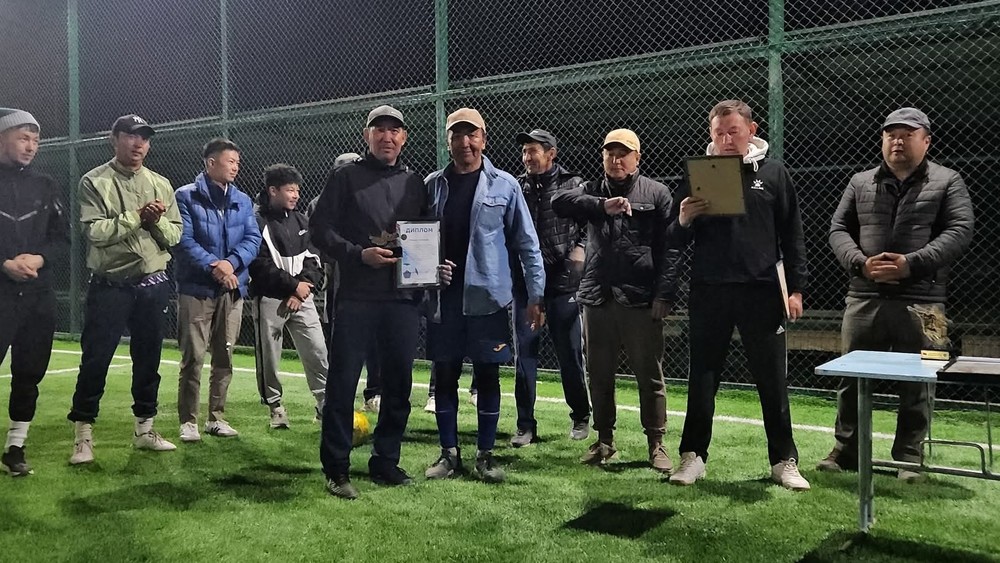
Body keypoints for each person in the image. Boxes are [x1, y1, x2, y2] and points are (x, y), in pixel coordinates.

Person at [817, 107, 974, 482]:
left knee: (923, 376)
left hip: (927, 301)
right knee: (851, 376)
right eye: (891, 134)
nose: (897, 141)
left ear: (926, 141)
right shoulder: (860, 182)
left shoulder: (948, 180)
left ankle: (909, 455)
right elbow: (838, 229)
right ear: (883, 140)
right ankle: (846, 450)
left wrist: (911, 264)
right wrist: (861, 264)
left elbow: (960, 230)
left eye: (907, 134)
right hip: (863, 296)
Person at [667, 100, 810, 490]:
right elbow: (673, 237)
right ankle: (692, 456)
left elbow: (792, 234)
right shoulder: (697, 174)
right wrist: (684, 218)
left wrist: (796, 288)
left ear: (751, 130)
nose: (726, 139)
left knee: (772, 380)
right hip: (709, 291)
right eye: (719, 133)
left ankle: (784, 460)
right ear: (710, 134)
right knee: (702, 377)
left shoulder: (774, 173)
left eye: (733, 131)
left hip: (762, 292)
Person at [311, 105, 452, 499]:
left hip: (401, 300)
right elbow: (320, 230)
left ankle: (385, 460)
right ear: (367, 135)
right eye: (380, 130)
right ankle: (337, 469)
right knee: (343, 385)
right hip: (356, 297)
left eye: (395, 131)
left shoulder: (414, 182)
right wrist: (358, 254)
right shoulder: (345, 177)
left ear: (404, 138)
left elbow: (424, 236)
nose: (387, 137)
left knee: (398, 386)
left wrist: (434, 268)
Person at [423, 107, 545, 484]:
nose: (465, 142)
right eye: (457, 135)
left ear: (483, 139)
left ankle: (485, 455)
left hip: (488, 300)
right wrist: (429, 271)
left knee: (488, 376)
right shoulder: (432, 185)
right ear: (447, 142)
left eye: (472, 134)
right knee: (445, 376)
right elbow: (415, 241)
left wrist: (536, 294)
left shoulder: (505, 185)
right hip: (444, 300)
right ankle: (449, 453)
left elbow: (527, 244)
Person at [552, 128, 675, 473]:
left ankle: (656, 443)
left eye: (623, 154)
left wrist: (664, 294)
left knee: (649, 375)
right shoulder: (591, 190)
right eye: (610, 153)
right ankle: (604, 440)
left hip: (640, 298)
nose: (616, 160)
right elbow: (558, 202)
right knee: (599, 374)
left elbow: (670, 249)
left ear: (637, 158)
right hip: (597, 297)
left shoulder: (657, 192)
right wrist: (600, 205)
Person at [68, 114, 181, 464]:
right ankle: (83, 436)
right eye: (131, 136)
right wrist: (137, 217)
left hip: (153, 285)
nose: (138, 143)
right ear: (113, 138)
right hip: (110, 286)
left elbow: (175, 235)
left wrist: (156, 220)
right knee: (96, 359)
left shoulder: (161, 183)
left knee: (149, 360)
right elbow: (95, 232)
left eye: (144, 138)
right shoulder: (94, 180)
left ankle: (145, 430)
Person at [173, 138, 261, 441]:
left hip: (232, 288)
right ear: (211, 163)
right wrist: (215, 266)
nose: (236, 167)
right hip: (196, 288)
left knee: (224, 355)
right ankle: (188, 421)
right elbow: (183, 240)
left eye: (237, 162)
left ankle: (216, 418)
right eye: (230, 161)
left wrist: (231, 264)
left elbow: (253, 239)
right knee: (193, 357)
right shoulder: (185, 196)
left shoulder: (242, 199)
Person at [510, 128, 591, 446]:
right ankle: (525, 425)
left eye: (533, 150)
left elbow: (589, 226)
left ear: (551, 153)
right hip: (525, 285)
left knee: (569, 354)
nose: (527, 157)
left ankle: (581, 416)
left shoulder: (573, 184)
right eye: (525, 151)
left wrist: (580, 251)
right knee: (524, 355)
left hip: (562, 284)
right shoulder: (517, 186)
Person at [0, 108, 68, 476]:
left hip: (37, 295)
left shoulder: (46, 185)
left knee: (29, 373)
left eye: (35, 140)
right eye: (23, 138)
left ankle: (16, 446)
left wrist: (39, 258)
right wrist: (4, 264)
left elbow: (61, 239)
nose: (30, 146)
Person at [250, 163, 327, 429]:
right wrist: (293, 287)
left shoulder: (302, 221)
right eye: (290, 190)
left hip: (302, 297)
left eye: (297, 190)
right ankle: (276, 407)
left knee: (317, 349)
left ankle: (324, 403)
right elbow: (259, 265)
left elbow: (315, 259)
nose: (296, 195)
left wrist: (303, 287)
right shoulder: (256, 221)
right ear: (273, 191)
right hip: (271, 298)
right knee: (269, 356)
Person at [307, 152, 383, 415]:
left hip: (372, 277)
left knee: (375, 339)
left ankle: (374, 392)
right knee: (340, 339)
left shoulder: (372, 194)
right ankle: (335, 403)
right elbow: (315, 239)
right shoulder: (320, 202)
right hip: (338, 277)